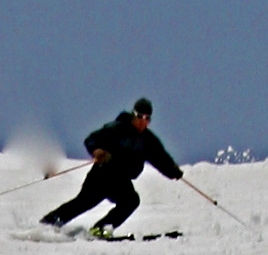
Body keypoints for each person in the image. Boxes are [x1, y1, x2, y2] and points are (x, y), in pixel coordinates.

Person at [42, 99, 182, 233]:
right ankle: (50, 222)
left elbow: (160, 158)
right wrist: (97, 151)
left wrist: (173, 171)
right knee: (84, 202)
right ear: (133, 114)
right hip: (102, 175)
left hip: (121, 180)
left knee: (131, 201)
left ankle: (101, 229)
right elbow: (92, 139)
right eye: (139, 116)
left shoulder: (148, 140)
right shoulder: (117, 128)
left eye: (147, 118)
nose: (142, 121)